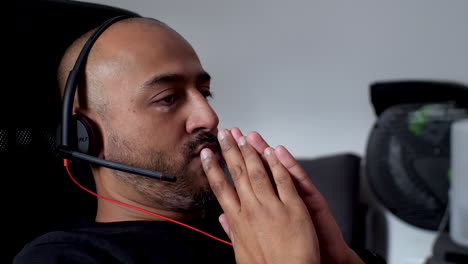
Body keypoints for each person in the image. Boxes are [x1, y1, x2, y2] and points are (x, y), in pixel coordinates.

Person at [14, 16, 371, 264]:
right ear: (86, 135)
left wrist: (340, 258)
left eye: (206, 93)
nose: (208, 118)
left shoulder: (263, 223)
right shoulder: (64, 258)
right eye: (168, 98)